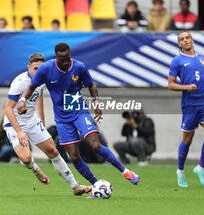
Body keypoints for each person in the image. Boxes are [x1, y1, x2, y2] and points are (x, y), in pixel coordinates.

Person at [17, 43, 140, 197]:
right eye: (63, 59)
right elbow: (32, 86)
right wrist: (22, 100)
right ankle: (96, 186)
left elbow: (91, 85)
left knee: (95, 145)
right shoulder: (46, 69)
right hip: (62, 118)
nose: (66, 62)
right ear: (56, 58)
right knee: (74, 156)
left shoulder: (79, 67)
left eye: (68, 58)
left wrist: (96, 103)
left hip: (79, 110)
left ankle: (126, 172)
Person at [3, 53, 91, 196]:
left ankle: (75, 186)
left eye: (41, 68)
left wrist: (41, 120)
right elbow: (7, 109)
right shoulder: (20, 82)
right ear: (28, 67)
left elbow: (39, 97)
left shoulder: (43, 78)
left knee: (54, 152)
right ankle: (35, 168)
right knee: (25, 159)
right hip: (14, 124)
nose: (38, 71)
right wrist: (19, 131)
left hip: (32, 121)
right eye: (35, 68)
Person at [168, 31, 204, 188]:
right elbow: (171, 84)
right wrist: (186, 87)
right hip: (189, 105)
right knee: (187, 139)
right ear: (179, 44)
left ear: (192, 40)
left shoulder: (203, 59)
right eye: (182, 39)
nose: (185, 40)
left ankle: (200, 168)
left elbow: (200, 79)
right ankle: (180, 172)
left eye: (187, 38)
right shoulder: (176, 61)